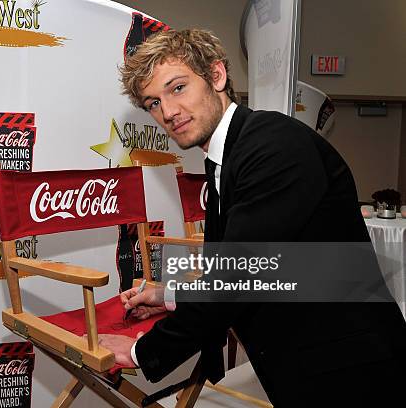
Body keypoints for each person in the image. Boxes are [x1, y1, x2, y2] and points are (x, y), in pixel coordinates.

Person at [96, 29, 406, 407]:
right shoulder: (234, 155)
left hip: (352, 371)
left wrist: (142, 352)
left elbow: (238, 278)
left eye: (177, 88)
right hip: (314, 366)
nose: (168, 112)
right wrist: (170, 295)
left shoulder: (272, 146)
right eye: (153, 103)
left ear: (217, 76)